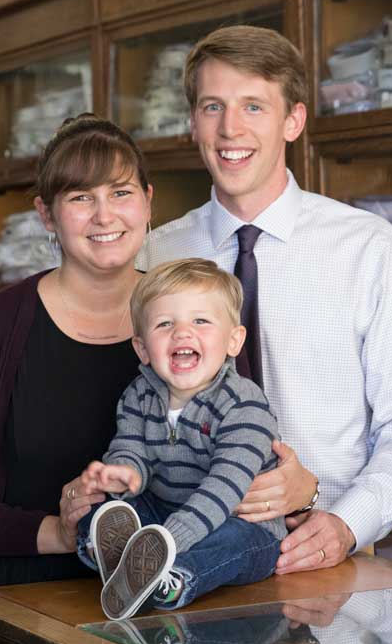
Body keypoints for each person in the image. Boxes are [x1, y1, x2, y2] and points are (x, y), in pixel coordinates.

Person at [144, 25, 392, 574]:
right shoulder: (156, 252)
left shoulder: (368, 247)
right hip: (185, 546)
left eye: (253, 106)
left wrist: (345, 523)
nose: (230, 128)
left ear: (294, 120)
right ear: (193, 123)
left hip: (328, 558)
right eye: (213, 106)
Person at [0, 115, 154, 585]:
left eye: (121, 193)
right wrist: (61, 534)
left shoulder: (199, 321)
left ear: (149, 202)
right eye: (81, 197)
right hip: (25, 593)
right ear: (46, 214)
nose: (104, 215)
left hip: (164, 592)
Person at [75, 257, 285, 620]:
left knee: (235, 543)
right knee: (97, 507)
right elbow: (130, 446)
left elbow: (225, 487)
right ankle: (110, 553)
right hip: (163, 517)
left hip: (237, 521)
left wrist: (171, 541)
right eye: (164, 324)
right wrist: (124, 473)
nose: (183, 333)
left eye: (201, 321)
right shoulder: (138, 394)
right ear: (142, 348)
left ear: (233, 340)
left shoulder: (244, 404)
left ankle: (172, 579)